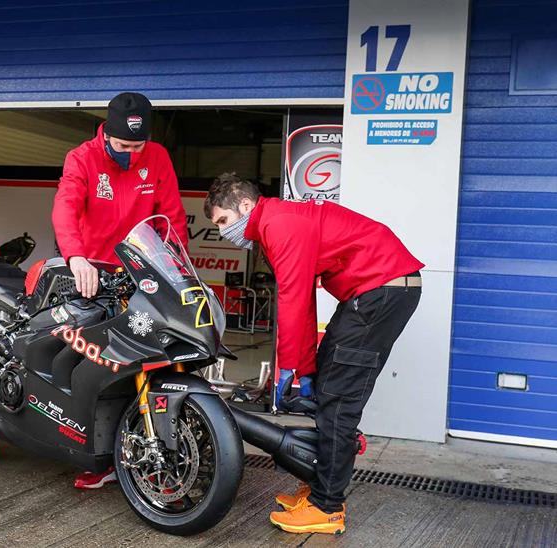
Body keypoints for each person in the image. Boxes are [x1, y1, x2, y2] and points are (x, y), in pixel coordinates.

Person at [204, 173, 423, 535]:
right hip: (372, 289)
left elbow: (294, 299)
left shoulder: (278, 224)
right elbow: (301, 299)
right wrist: (304, 369)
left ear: (245, 206)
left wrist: (290, 369)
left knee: (338, 398)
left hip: (381, 288)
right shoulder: (277, 220)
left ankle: (327, 507)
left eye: (224, 221)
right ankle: (319, 487)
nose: (225, 232)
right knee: (327, 382)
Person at [52, 91, 188, 488]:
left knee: (146, 356)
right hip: (89, 271)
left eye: (138, 145)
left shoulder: (158, 158)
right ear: (107, 134)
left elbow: (171, 218)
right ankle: (86, 446)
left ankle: (131, 449)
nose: (132, 152)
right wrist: (75, 257)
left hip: (138, 270)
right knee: (89, 360)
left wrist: (177, 271)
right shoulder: (82, 158)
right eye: (124, 145)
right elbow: (66, 206)